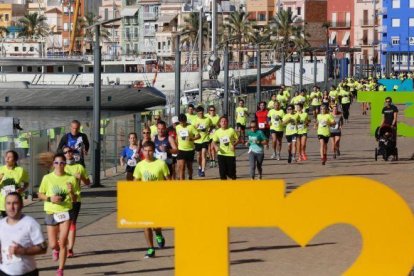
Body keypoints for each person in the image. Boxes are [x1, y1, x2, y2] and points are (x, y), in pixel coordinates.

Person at [38, 153, 77, 276]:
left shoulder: (71, 178)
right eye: (56, 163)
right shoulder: (47, 178)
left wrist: (71, 192)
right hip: (51, 211)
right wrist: (50, 199)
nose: (59, 165)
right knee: (53, 244)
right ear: (53, 164)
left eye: (62, 163)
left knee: (63, 241)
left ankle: (60, 269)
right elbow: (40, 194)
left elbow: (74, 199)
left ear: (65, 164)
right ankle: (55, 249)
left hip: (65, 212)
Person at [133, 141, 170, 259]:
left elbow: (169, 181)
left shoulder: (161, 164)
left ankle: (158, 233)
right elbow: (135, 182)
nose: (147, 153)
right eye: (145, 150)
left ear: (153, 151)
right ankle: (150, 248)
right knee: (146, 224)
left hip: (158, 199)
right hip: (145, 200)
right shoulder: (140, 165)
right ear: (142, 151)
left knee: (155, 225)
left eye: (150, 151)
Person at [0, 192, 47, 276]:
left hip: (27, 273)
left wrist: (23, 251)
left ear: (21, 205)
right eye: (8, 203)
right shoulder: (1, 224)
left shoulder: (30, 223)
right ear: (5, 206)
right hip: (3, 272)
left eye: (15, 203)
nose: (11, 207)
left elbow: (43, 248)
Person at [62, 146, 90, 259]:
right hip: (63, 200)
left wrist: (81, 177)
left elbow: (88, 182)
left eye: (70, 151)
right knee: (63, 224)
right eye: (66, 152)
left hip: (75, 199)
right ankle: (62, 243)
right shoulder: (61, 167)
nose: (68, 153)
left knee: (72, 224)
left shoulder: (79, 167)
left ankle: (70, 249)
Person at [0, 150, 29, 218]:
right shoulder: (0, 169)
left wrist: (22, 189)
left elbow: (26, 183)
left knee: (14, 223)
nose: (7, 158)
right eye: (6, 157)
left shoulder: (20, 170)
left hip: (15, 201)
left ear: (15, 159)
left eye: (10, 157)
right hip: (3, 202)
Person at [175, 114, 200, 180]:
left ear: (186, 120)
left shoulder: (191, 127)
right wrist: (176, 144)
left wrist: (192, 139)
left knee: (189, 167)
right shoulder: (177, 127)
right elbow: (177, 136)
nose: (182, 123)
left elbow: (198, 136)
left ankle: (190, 177)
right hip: (181, 150)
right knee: (182, 167)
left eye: (183, 122)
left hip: (190, 150)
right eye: (180, 122)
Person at [193, 106, 212, 177]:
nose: (201, 114)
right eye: (199, 113)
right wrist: (195, 127)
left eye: (202, 113)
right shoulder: (195, 120)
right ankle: (199, 167)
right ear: (197, 113)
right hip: (197, 140)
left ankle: (203, 170)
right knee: (198, 156)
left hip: (205, 139)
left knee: (203, 154)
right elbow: (192, 129)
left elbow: (212, 125)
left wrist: (210, 130)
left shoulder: (207, 119)